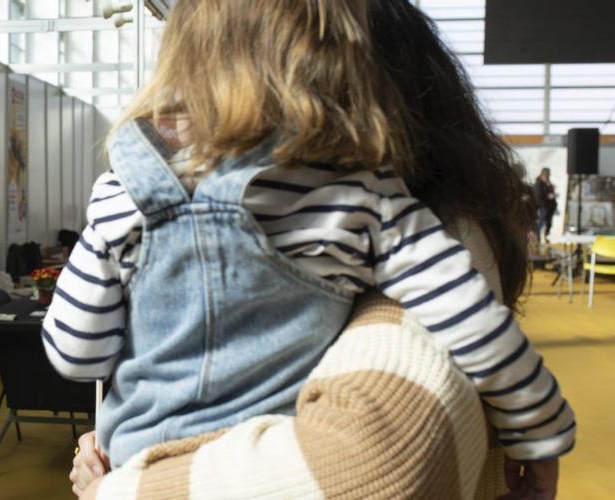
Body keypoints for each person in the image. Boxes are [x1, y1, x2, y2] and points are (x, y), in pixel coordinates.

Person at [44, 0, 574, 496]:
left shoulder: (121, 196)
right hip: (257, 463)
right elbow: (477, 326)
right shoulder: (364, 201)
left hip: (141, 466)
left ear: (182, 62)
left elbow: (76, 353)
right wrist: (538, 430)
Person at [533, 168, 556, 243]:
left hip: (548, 206)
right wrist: (547, 196)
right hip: (541, 206)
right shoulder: (538, 184)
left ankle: (545, 237)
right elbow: (538, 196)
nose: (547, 177)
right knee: (540, 223)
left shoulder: (547, 183)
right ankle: (537, 238)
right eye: (546, 176)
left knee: (547, 223)